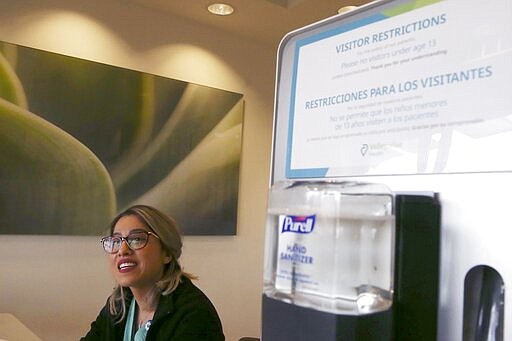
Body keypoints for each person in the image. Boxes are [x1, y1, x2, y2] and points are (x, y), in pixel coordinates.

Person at [82, 205, 224, 341]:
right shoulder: (119, 304)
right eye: (115, 241)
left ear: (167, 252)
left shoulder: (194, 315)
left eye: (137, 239)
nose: (122, 250)